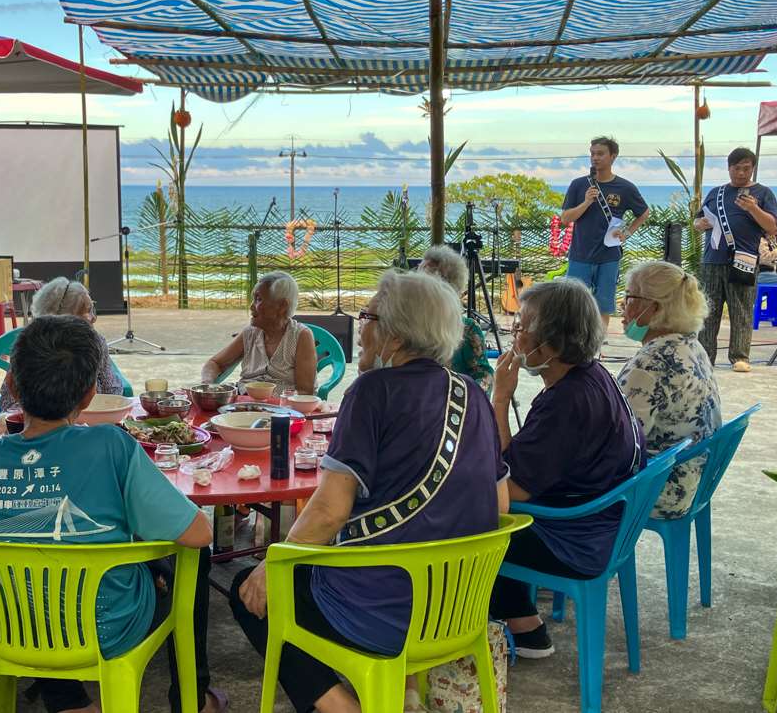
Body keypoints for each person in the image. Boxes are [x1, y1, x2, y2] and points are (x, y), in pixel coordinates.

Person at [230, 270, 509, 713]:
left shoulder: (372, 392)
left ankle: (343, 707)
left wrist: (270, 563)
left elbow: (328, 512)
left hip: (380, 612)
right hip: (457, 609)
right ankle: (400, 690)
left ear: (395, 336)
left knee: (247, 589)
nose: (361, 329)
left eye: (368, 316)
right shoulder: (472, 393)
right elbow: (499, 505)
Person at [0, 315, 225, 713]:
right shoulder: (111, 445)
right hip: (107, 627)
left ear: (10, 384)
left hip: (2, 622)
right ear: (90, 393)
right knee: (192, 558)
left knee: (30, 565)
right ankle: (192, 700)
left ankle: (66, 700)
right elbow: (198, 534)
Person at [490, 278, 646, 657]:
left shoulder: (566, 403)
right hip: (602, 523)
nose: (516, 338)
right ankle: (522, 621)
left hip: (574, 540)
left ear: (553, 344)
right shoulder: (591, 376)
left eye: (521, 328)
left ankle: (519, 629)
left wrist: (499, 399)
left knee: (465, 519)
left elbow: (509, 489)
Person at [617, 262, 721, 519]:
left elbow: (619, 444)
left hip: (662, 487)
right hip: (694, 479)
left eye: (629, 297)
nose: (622, 305)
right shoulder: (689, 345)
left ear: (654, 307)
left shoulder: (651, 363)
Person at [695, 147, 777, 372]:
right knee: (708, 310)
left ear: (752, 168)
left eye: (746, 168)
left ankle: (740, 356)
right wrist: (699, 224)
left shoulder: (763, 193)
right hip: (713, 259)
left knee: (741, 308)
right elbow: (698, 220)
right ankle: (705, 356)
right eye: (736, 168)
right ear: (729, 168)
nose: (741, 173)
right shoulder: (716, 193)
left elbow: (772, 227)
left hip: (744, 258)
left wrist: (753, 208)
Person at [560, 137, 650, 331]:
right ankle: (576, 346)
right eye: (592, 154)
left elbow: (643, 213)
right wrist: (585, 202)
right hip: (580, 254)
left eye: (600, 154)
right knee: (575, 305)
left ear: (613, 156)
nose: (595, 158)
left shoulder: (625, 187)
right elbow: (565, 218)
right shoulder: (578, 185)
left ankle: (596, 349)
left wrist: (627, 232)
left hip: (609, 256)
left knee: (603, 305)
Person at [0, 277, 122, 411]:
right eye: (87, 310)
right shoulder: (32, 346)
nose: (94, 318)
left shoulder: (96, 342)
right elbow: (9, 402)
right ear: (65, 317)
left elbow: (112, 390)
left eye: (93, 309)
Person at [202, 271, 317, 395]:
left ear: (282, 306)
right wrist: (208, 386)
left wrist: (271, 405)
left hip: (283, 409)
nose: (251, 306)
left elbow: (305, 392)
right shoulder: (250, 334)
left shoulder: (300, 336)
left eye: (258, 299)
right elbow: (214, 363)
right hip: (245, 405)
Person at [418, 244, 495, 392]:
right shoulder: (406, 325)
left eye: (425, 278)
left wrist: (466, 400)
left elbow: (484, 375)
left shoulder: (467, 329)